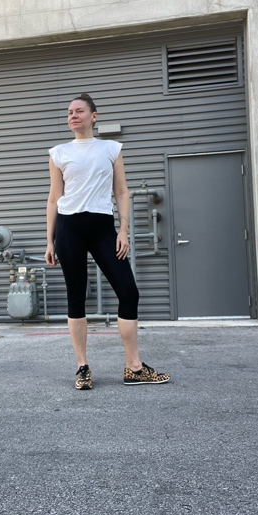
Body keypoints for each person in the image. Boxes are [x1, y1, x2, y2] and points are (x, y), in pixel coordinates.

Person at [45, 93, 170, 390]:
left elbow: (122, 191)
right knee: (76, 296)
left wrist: (123, 230)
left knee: (128, 291)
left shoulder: (111, 148)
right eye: (69, 112)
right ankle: (82, 367)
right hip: (68, 227)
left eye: (79, 111)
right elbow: (54, 198)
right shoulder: (59, 153)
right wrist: (49, 241)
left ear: (94, 116)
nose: (73, 116)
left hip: (103, 227)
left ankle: (134, 367)